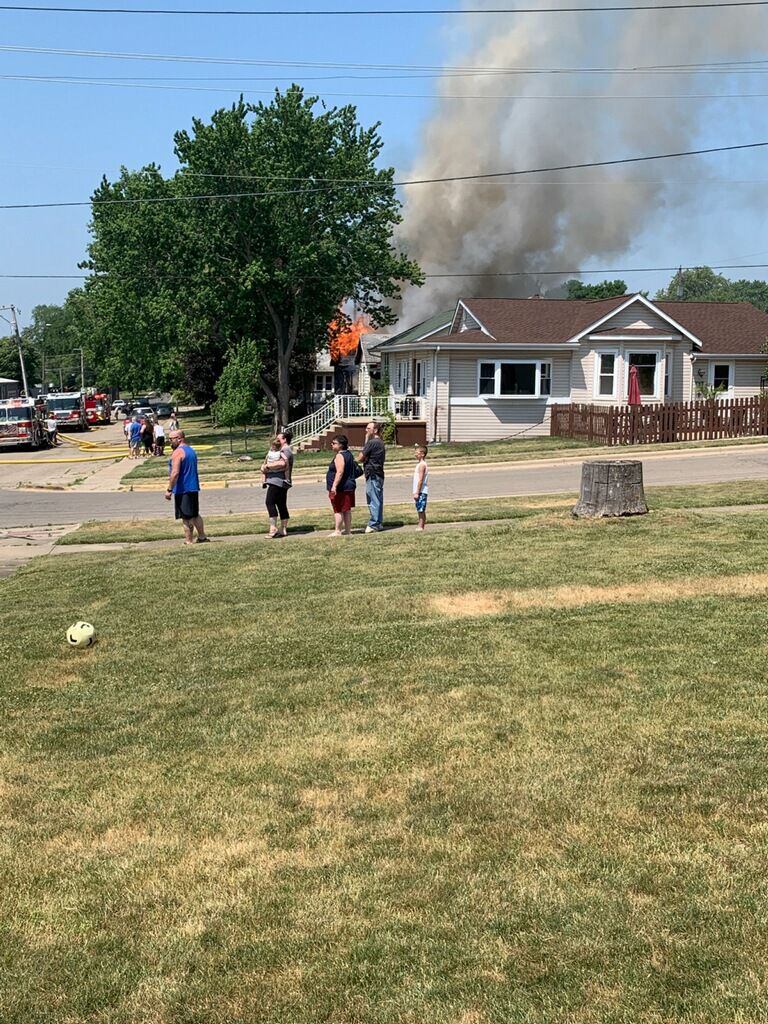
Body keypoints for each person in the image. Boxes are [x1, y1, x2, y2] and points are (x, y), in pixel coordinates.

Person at [165, 429, 209, 545]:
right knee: (195, 514)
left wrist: (169, 489)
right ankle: (202, 537)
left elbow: (175, 473)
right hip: (193, 488)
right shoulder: (190, 450)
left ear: (179, 438)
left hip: (183, 489)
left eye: (171, 439)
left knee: (186, 517)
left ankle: (188, 541)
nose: (169, 442)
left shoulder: (178, 452)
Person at [326, 434, 357, 537]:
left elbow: (340, 471)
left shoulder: (340, 455)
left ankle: (337, 531)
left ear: (341, 445)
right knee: (346, 509)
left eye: (334, 443)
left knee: (338, 509)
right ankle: (348, 531)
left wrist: (334, 486)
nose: (332, 444)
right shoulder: (348, 454)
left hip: (341, 488)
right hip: (349, 486)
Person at [358, 420, 385, 533]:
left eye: (368, 428)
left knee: (373, 499)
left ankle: (374, 523)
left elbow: (360, 457)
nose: (366, 430)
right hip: (378, 473)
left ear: (375, 430)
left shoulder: (372, 442)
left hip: (373, 473)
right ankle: (378, 523)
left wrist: (366, 441)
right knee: (377, 498)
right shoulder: (379, 442)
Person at [261, 436, 290, 538]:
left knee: (269, 502)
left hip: (276, 482)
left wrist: (267, 466)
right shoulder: (278, 452)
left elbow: (283, 463)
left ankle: (273, 528)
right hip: (280, 482)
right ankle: (283, 529)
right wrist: (264, 467)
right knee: (281, 504)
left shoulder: (284, 451)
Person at [413, 445, 429, 531]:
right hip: (419, 491)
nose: (415, 454)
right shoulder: (419, 464)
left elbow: (420, 480)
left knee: (421, 509)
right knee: (419, 508)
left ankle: (421, 525)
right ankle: (421, 524)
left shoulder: (422, 465)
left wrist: (417, 492)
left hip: (421, 491)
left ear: (422, 454)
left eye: (417, 453)